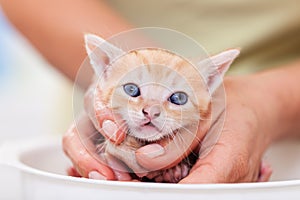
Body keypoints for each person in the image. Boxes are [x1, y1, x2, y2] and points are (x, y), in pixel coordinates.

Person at [1, 0, 300, 183]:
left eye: (174, 99)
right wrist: (135, 69)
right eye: (134, 92)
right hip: (89, 91)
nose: (150, 110)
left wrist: (270, 102)